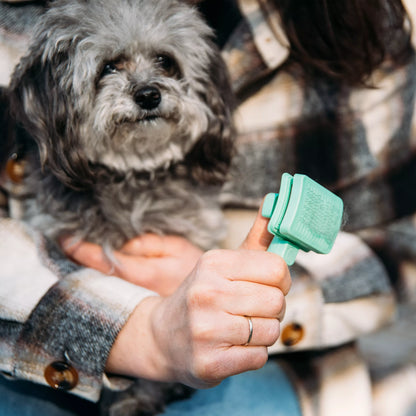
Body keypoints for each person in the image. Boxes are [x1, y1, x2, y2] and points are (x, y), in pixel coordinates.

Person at [1, 1, 416, 416]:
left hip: (277, 365)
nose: (147, 88)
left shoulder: (355, 19)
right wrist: (139, 329)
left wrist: (249, 298)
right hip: (32, 349)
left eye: (165, 63)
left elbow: (403, 244)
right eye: (110, 68)